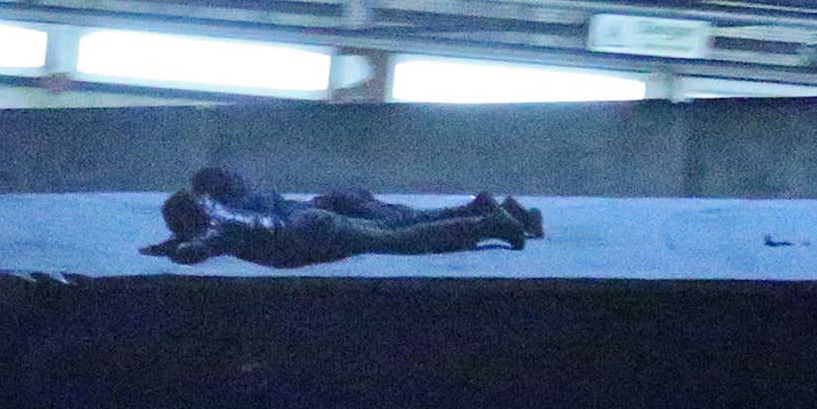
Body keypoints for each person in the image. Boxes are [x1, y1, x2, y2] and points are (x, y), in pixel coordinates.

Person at [143, 168, 544, 268]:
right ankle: (484, 212)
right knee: (401, 227)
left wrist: (177, 249)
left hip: (303, 239)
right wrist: (168, 245)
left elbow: (198, 248)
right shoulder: (234, 206)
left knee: (403, 240)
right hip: (311, 223)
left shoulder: (216, 225)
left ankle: (489, 224)